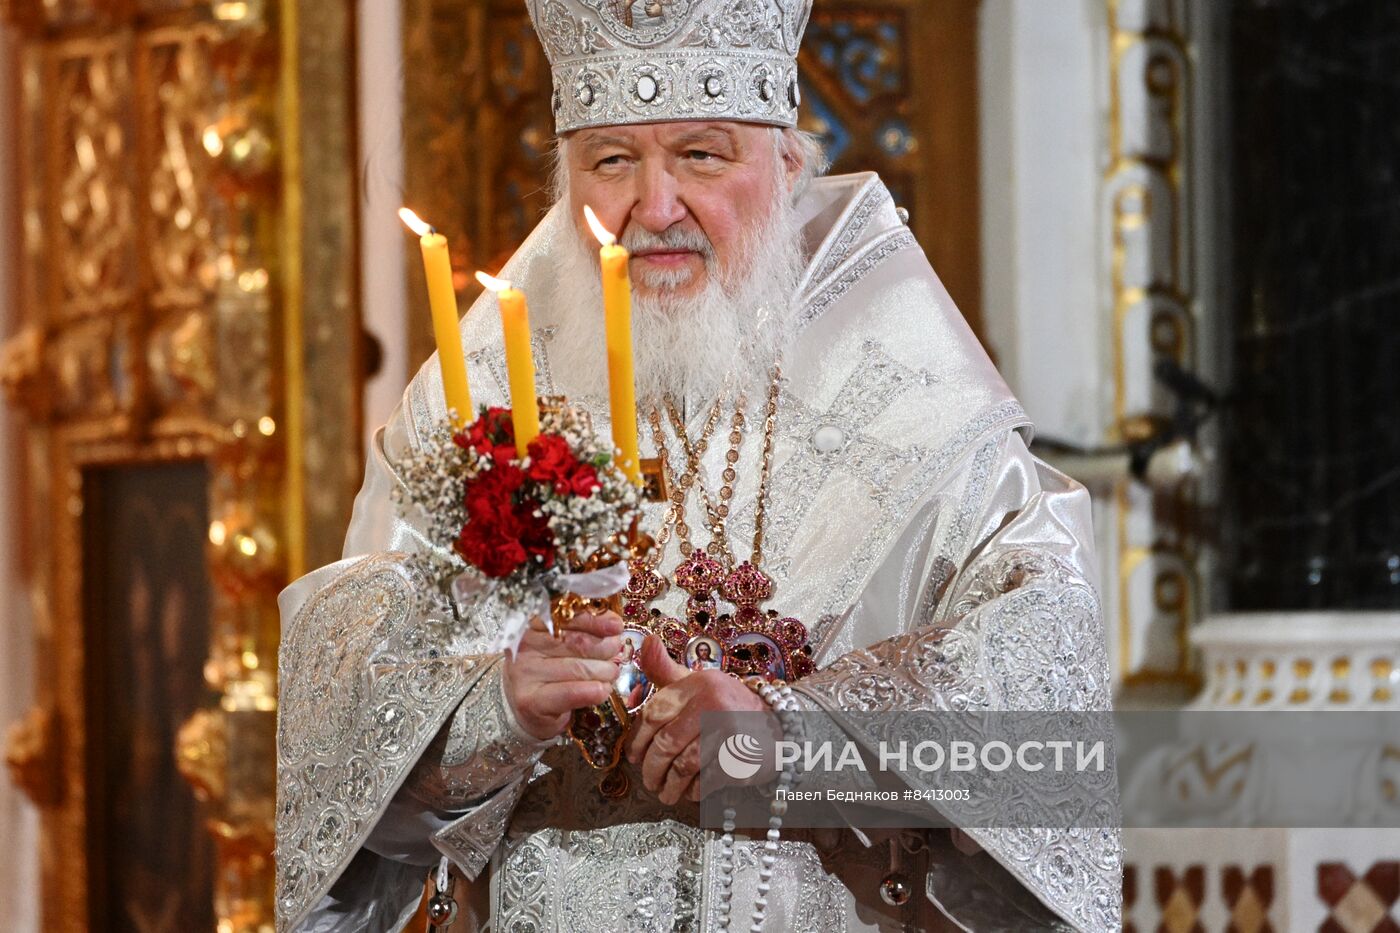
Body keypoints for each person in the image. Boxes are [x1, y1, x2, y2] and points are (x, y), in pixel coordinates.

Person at [274, 0, 1120, 929]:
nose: (655, 208)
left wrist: (789, 738)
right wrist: (492, 711)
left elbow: (1045, 715)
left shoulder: (915, 390)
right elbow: (339, 742)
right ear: (567, 185)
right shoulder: (473, 404)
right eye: (611, 162)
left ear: (788, 163)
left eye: (702, 155)